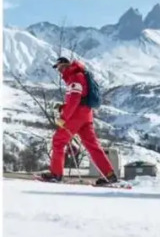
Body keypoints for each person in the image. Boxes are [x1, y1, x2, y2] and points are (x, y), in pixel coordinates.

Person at [40, 58, 118, 186]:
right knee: (93, 146)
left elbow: (75, 100)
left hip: (76, 116)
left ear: (65, 66)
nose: (59, 71)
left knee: (58, 141)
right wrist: (63, 107)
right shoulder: (79, 75)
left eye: (59, 67)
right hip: (86, 115)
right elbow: (79, 99)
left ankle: (56, 174)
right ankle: (110, 175)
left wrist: (63, 118)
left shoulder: (75, 77)